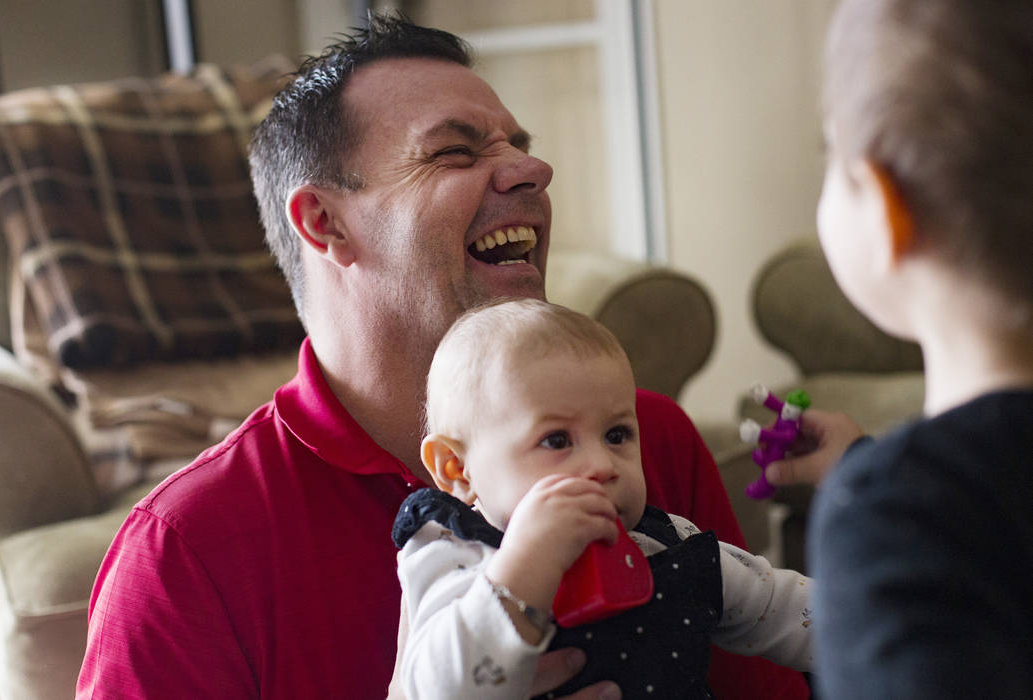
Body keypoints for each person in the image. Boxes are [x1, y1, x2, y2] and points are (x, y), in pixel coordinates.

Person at [76, 14, 809, 699]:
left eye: (518, 145)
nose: (532, 169)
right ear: (325, 222)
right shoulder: (184, 553)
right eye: (456, 151)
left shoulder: (641, 438)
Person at [790, 0, 1033, 697]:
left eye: (832, 160)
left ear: (888, 209)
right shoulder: (915, 494)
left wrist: (882, 483)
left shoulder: (898, 515)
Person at [394, 298, 814, 700]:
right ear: (456, 468)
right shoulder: (454, 557)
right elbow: (440, 690)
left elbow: (785, 608)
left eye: (617, 435)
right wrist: (526, 564)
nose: (602, 464)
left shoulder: (667, 542)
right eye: (556, 440)